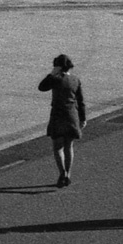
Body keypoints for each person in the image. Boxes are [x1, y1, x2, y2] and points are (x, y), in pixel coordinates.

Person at [38, 54, 86, 188]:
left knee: (57, 146)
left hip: (58, 115)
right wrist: (83, 118)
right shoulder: (75, 80)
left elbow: (42, 87)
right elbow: (81, 101)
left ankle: (62, 173)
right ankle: (68, 174)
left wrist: (51, 74)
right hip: (72, 115)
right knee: (68, 146)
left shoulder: (56, 79)